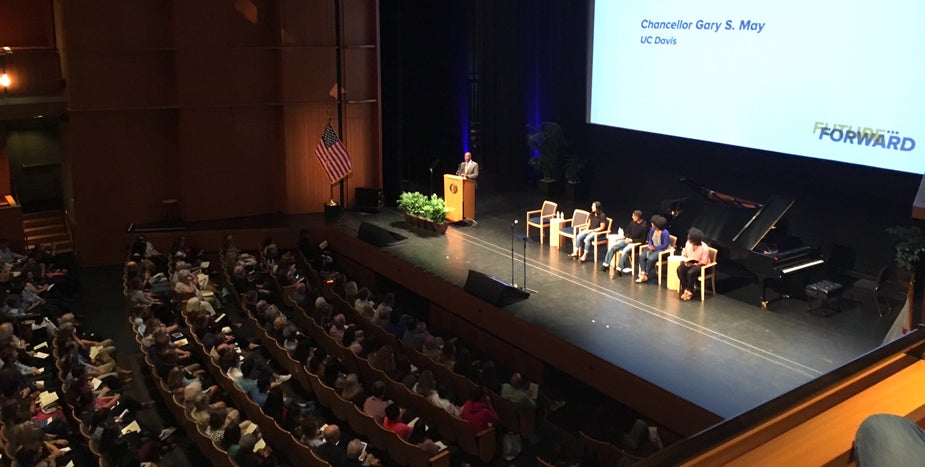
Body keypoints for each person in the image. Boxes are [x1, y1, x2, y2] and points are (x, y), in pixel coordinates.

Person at [602, 209, 649, 275]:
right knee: (613, 246)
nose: (632, 217)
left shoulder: (644, 226)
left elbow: (643, 240)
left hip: (636, 244)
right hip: (628, 240)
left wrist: (632, 240)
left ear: (638, 217)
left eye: (633, 216)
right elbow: (627, 231)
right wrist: (627, 237)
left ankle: (619, 269)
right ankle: (606, 264)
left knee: (625, 250)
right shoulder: (633, 222)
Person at [677, 228, 712, 301]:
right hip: (690, 263)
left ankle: (690, 291)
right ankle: (685, 288)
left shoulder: (704, 248)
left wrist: (693, 264)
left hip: (701, 265)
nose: (688, 238)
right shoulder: (688, 243)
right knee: (680, 270)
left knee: (690, 273)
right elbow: (685, 254)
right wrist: (686, 261)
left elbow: (704, 261)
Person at [636, 215, 671, 283]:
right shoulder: (652, 230)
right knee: (642, 256)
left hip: (661, 250)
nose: (651, 224)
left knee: (650, 258)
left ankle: (645, 275)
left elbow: (665, 245)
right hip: (652, 248)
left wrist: (655, 248)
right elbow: (650, 240)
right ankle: (643, 273)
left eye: (653, 223)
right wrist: (651, 245)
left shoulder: (665, 232)